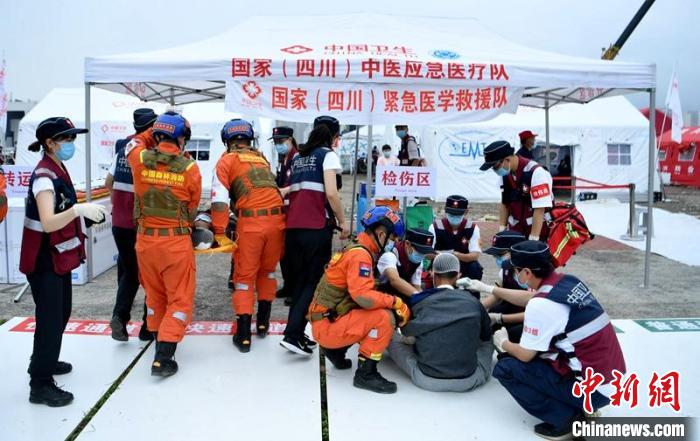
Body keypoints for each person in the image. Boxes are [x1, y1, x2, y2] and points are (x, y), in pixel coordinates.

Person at [461, 241, 626, 440]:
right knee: (535, 347)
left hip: (593, 392)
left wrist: (502, 342)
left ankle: (565, 419)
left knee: (506, 367)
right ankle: (584, 406)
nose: (514, 274)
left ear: (527, 273)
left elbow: (525, 354)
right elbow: (531, 299)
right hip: (610, 380)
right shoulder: (568, 281)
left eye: (515, 270)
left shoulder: (542, 305)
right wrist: (489, 288)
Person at [21, 117, 108, 406]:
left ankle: (44, 359)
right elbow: (47, 222)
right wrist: (78, 210)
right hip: (43, 258)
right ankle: (40, 384)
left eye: (72, 138)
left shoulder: (58, 167)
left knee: (61, 313)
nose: (71, 144)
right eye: (66, 139)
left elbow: (64, 208)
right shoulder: (45, 176)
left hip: (56, 257)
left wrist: (82, 212)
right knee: (50, 319)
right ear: (49, 143)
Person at [127, 112, 201, 377]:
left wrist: (156, 131)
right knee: (179, 298)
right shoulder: (190, 168)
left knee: (155, 295)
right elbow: (192, 208)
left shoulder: (138, 158)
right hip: (175, 241)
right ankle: (164, 357)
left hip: (146, 242)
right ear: (182, 138)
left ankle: (159, 342)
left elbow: (133, 142)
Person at [307, 206, 410, 394]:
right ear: (381, 234)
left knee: (373, 309)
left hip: (325, 320)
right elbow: (363, 297)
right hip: (328, 327)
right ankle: (366, 374)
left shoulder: (356, 248)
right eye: (392, 239)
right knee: (384, 317)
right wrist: (396, 302)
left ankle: (336, 351)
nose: (393, 244)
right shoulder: (361, 256)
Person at [211, 119, 285, 353]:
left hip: (252, 223)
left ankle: (243, 335)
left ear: (228, 141)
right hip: (277, 223)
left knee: (244, 277)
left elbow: (220, 201)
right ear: (249, 139)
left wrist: (220, 232)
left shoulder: (227, 161)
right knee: (268, 271)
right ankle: (263, 324)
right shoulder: (262, 159)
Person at [281, 116, 349, 355]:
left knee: (300, 281)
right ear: (333, 136)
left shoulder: (299, 157)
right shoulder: (327, 155)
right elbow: (331, 193)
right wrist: (343, 221)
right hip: (315, 228)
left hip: (293, 228)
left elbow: (293, 189)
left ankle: (295, 333)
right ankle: (292, 334)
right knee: (312, 282)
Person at [387, 253, 493, 392]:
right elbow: (485, 337)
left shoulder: (418, 301)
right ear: (458, 275)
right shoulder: (473, 303)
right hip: (468, 379)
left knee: (390, 334)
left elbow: (406, 331)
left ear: (433, 275)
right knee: (488, 342)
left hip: (426, 378)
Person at [105, 108, 157, 342]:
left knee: (128, 271)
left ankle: (120, 317)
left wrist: (120, 203)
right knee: (149, 273)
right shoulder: (150, 153)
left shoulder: (124, 148)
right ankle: (148, 326)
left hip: (119, 223)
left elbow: (109, 182)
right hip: (142, 224)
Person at [480, 140, 553, 240]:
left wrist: (533, 239)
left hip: (539, 231)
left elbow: (540, 209)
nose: (495, 170)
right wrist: (502, 230)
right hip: (516, 231)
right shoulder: (505, 175)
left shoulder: (536, 173)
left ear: (507, 159)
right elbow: (504, 203)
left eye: (496, 166)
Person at [480, 230, 529, 342]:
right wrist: (475, 307)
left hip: (530, 316)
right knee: (493, 312)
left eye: (500, 255)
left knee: (512, 333)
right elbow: (497, 295)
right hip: (513, 310)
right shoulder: (505, 271)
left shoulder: (532, 275)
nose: (497, 258)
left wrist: (500, 319)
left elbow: (535, 313)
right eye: (495, 255)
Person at [270, 126, 298, 304]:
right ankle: (288, 284)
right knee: (284, 252)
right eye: (275, 142)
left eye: (280, 141)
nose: (278, 145)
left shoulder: (297, 158)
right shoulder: (283, 158)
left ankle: (294, 289)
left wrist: (285, 189)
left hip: (294, 210)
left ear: (290, 140)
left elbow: (300, 183)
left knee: (293, 253)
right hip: (283, 211)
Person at [429, 195, 483, 283]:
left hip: (463, 265)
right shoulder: (435, 227)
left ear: (466, 212)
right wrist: (444, 256)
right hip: (441, 264)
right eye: (451, 213)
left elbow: (475, 255)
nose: (454, 216)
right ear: (445, 210)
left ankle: (470, 294)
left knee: (475, 268)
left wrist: (456, 255)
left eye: (458, 214)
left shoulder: (472, 228)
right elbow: (427, 254)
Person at [377, 227, 434, 298]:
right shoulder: (390, 256)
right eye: (419, 251)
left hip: (399, 299)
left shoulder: (418, 262)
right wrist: (419, 297)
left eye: (424, 253)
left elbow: (417, 287)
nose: (421, 255)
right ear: (407, 244)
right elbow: (395, 281)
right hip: (382, 297)